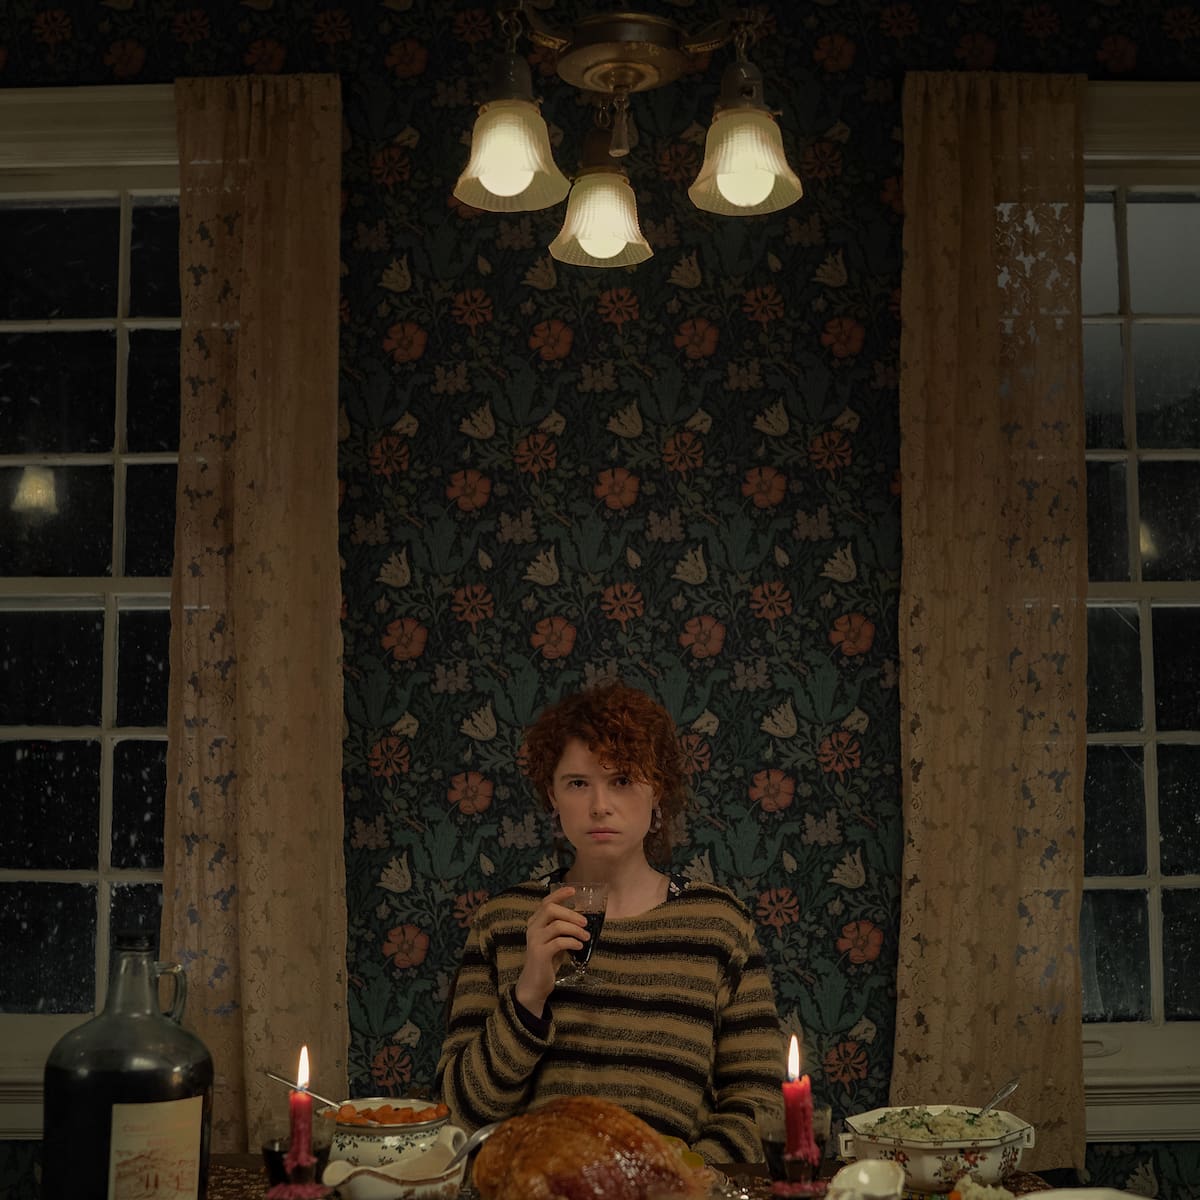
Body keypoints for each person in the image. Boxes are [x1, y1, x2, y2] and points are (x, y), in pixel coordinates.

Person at [436, 681, 785, 1164]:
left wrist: (680, 1178)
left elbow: (760, 1105)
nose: (600, 805)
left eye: (621, 780)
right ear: (552, 796)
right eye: (578, 783)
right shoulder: (504, 921)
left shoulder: (718, 925)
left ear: (656, 790)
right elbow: (455, 1116)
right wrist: (528, 997)